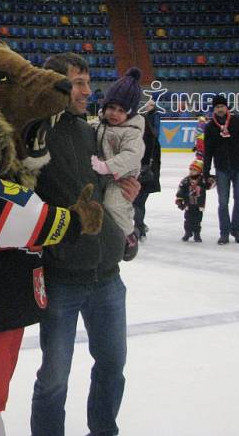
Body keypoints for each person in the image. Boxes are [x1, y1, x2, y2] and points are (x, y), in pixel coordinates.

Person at [31, 52, 140, 436]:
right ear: (56, 83)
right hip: (62, 277)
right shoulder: (35, 134)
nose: (87, 91)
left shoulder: (90, 132)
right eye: (78, 82)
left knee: (112, 367)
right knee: (55, 377)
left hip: (108, 275)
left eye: (88, 81)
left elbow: (108, 188)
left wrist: (128, 198)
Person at [90, 67, 145, 261]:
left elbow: (132, 155)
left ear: (130, 114)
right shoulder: (98, 125)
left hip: (121, 178)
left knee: (113, 205)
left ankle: (129, 235)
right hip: (102, 177)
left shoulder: (131, 132)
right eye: (111, 108)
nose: (114, 113)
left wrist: (107, 166)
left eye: (122, 110)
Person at [203, 94, 239, 244]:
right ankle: (224, 232)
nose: (220, 109)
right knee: (223, 202)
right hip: (222, 169)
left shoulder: (238, 121)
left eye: (222, 106)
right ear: (214, 109)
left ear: (227, 107)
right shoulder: (210, 127)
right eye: (217, 107)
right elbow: (208, 151)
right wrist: (206, 172)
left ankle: (236, 229)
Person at [134, 98, 162, 241]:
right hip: (149, 175)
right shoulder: (153, 142)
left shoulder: (139, 141)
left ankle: (139, 228)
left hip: (141, 174)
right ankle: (140, 227)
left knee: (136, 203)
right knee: (139, 203)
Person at [176, 159, 208, 242]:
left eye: (194, 170)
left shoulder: (203, 181)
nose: (191, 171)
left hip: (199, 205)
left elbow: (212, 182)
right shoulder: (186, 181)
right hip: (188, 205)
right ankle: (187, 232)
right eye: (191, 169)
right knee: (188, 220)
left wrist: (207, 175)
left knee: (197, 221)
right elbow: (181, 190)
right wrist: (179, 200)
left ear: (200, 171)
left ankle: (197, 234)